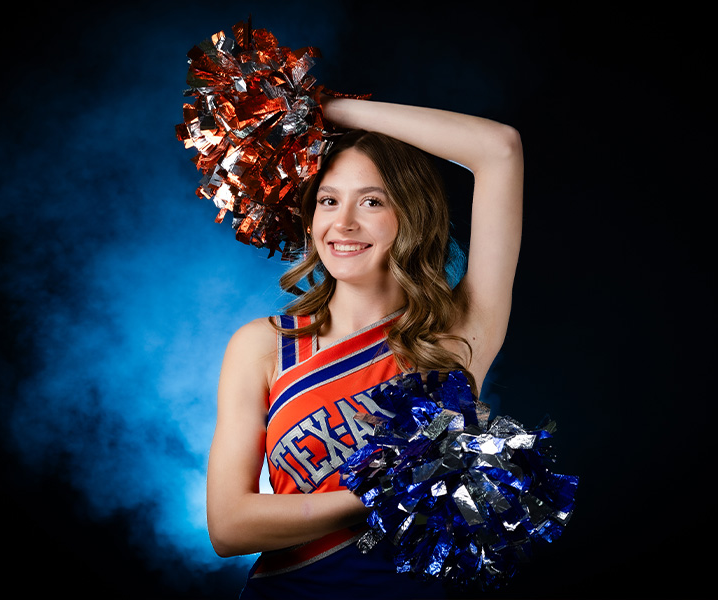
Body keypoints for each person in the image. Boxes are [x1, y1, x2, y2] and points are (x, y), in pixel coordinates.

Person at [206, 96, 524, 599]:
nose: (344, 223)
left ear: (410, 216)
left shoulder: (456, 334)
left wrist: (329, 108)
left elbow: (499, 148)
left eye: (372, 201)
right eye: (328, 201)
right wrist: (390, 488)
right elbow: (228, 527)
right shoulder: (264, 346)